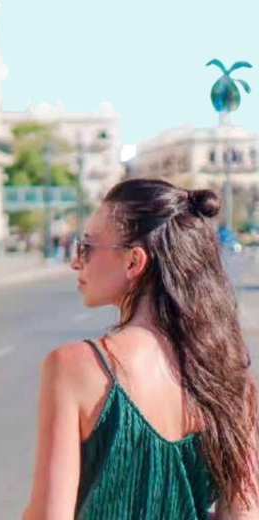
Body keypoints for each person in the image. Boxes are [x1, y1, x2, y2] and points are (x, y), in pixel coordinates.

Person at [23, 179, 259, 519]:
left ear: (134, 262)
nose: (76, 262)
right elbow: (244, 513)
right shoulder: (230, 381)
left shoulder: (75, 367)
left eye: (86, 247)